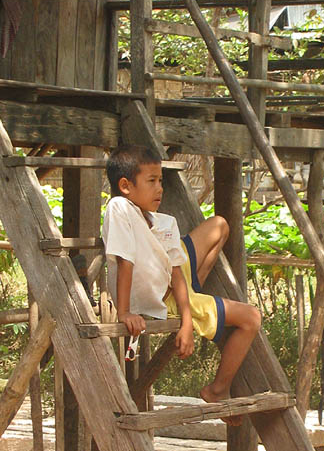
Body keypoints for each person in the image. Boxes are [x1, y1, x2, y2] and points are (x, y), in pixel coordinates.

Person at [102, 144, 261, 421]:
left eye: (160, 181)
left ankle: (193, 294)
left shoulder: (160, 221)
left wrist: (187, 322)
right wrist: (126, 311)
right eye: (151, 181)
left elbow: (176, 271)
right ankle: (218, 389)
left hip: (177, 281)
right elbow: (124, 262)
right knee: (251, 318)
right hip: (165, 298)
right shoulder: (119, 208)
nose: (159, 189)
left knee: (220, 225)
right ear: (125, 186)